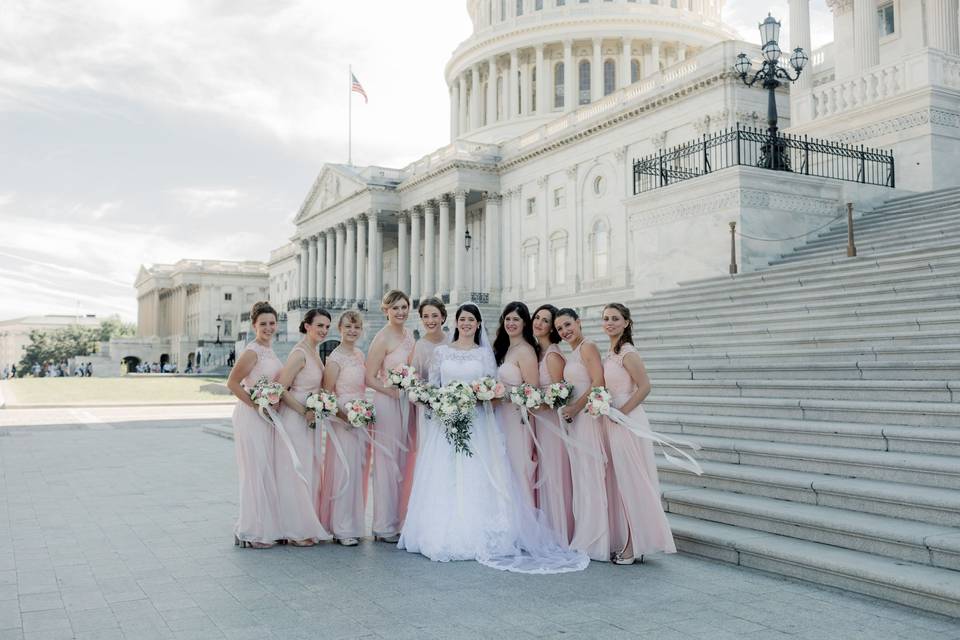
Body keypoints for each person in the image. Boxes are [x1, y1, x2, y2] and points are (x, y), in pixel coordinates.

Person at [399, 304, 588, 574]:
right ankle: (438, 530)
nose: (466, 324)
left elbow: (492, 388)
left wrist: (479, 397)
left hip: (478, 422)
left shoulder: (485, 354)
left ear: (478, 325)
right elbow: (433, 385)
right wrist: (440, 402)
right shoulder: (441, 352)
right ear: (456, 322)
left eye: (471, 320)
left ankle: (477, 531)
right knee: (443, 475)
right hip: (446, 423)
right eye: (462, 319)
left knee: (478, 474)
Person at [600, 303, 678, 564]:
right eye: (606, 319)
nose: (609, 323)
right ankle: (631, 539)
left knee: (633, 481)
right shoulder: (610, 351)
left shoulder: (628, 353)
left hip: (628, 418)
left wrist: (621, 411)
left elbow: (645, 387)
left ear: (626, 323)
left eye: (615, 319)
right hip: (614, 417)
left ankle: (635, 546)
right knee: (623, 481)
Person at [226, 301, 284, 548]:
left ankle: (265, 525)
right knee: (255, 471)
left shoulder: (270, 350)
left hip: (267, 415)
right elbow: (233, 383)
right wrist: (256, 405)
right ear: (254, 326)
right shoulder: (252, 351)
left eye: (272, 323)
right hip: (252, 415)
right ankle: (251, 530)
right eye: (263, 324)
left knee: (265, 469)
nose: (268, 328)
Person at [275, 308, 335, 546]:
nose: (323, 330)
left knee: (307, 471)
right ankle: (295, 530)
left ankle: (305, 524)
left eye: (327, 327)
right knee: (296, 472)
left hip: (310, 417)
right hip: (296, 417)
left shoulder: (314, 350)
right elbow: (281, 388)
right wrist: (304, 412)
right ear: (307, 326)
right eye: (319, 325)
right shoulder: (299, 353)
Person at [555, 308, 610, 561]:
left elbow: (598, 382)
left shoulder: (588, 346)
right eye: (560, 329)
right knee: (582, 476)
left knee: (590, 475)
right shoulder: (573, 351)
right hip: (575, 418)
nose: (565, 331)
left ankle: (596, 538)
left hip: (585, 417)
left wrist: (575, 409)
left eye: (568, 325)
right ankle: (585, 533)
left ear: (578, 322)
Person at [364, 290, 416, 542]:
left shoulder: (409, 335)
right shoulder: (381, 338)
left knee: (405, 460)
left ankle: (401, 518)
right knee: (387, 461)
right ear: (386, 310)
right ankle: (384, 525)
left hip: (407, 402)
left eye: (404, 307)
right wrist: (390, 391)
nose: (400, 312)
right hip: (388, 403)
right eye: (395, 308)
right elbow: (369, 376)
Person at [318, 310, 369, 547]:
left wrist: (362, 413)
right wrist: (344, 416)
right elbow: (327, 395)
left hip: (358, 417)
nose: (352, 331)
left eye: (356, 327)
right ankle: (340, 526)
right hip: (342, 420)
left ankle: (353, 523)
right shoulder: (335, 358)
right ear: (340, 329)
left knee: (357, 470)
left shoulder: (359, 354)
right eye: (348, 326)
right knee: (343, 470)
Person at [530, 304, 574, 544]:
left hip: (552, 424)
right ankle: (545, 528)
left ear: (552, 328)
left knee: (555, 473)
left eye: (545, 320)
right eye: (537, 317)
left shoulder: (553, 354)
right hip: (538, 420)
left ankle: (560, 532)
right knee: (544, 471)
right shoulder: (537, 352)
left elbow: (560, 393)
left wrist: (540, 405)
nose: (539, 323)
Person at [492, 301, 541, 509]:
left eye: (516, 319)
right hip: (498, 416)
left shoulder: (526, 351)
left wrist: (504, 393)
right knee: (503, 467)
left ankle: (525, 517)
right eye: (508, 319)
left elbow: (532, 391)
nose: (511, 323)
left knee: (517, 466)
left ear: (524, 324)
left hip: (516, 418)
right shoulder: (503, 348)